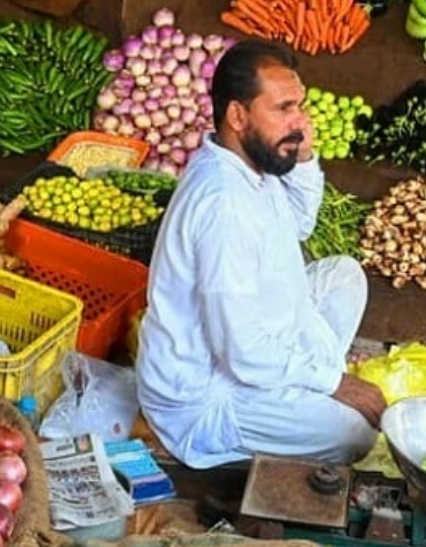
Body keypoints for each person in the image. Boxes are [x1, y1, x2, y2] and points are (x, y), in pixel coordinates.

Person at [135, 39, 386, 470]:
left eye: (300, 106)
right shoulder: (222, 204)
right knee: (355, 434)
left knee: (344, 276)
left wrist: (302, 156)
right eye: (284, 109)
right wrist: (334, 382)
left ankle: (300, 388)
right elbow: (243, 352)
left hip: (247, 344)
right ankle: (301, 395)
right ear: (238, 115)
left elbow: (297, 225)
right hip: (207, 396)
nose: (300, 123)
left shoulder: (248, 161)